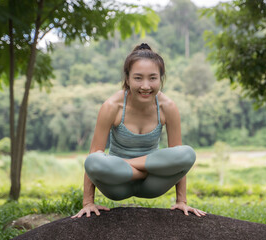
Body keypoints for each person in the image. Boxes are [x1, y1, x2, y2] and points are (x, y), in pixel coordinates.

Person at [72, 43, 206, 218]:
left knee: (187, 154)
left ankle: (133, 167)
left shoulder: (168, 107)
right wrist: (88, 202)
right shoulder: (112, 106)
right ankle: (135, 168)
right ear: (127, 79)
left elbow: (178, 158)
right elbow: (94, 157)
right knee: (93, 161)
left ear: (161, 79)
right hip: (117, 183)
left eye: (152, 78)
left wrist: (182, 201)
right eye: (138, 78)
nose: (145, 86)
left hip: (153, 183)